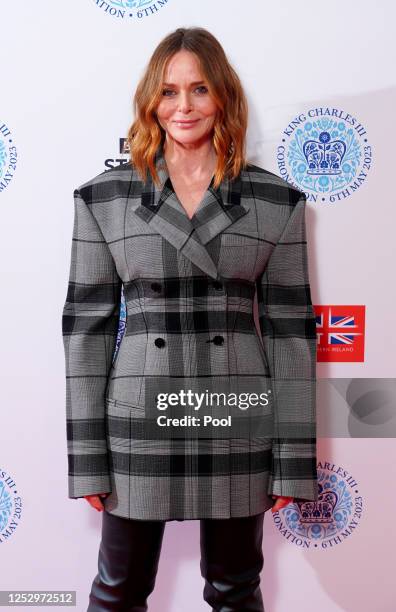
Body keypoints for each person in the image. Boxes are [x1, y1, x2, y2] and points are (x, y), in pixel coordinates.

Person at [61, 26, 318, 612]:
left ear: (223, 96)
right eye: (170, 91)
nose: (184, 106)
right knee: (119, 590)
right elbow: (86, 333)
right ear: (151, 101)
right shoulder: (104, 198)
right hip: (138, 412)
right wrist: (88, 460)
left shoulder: (276, 201)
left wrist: (292, 464)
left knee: (234, 590)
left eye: (199, 90)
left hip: (237, 413)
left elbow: (291, 335)